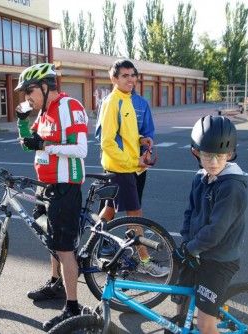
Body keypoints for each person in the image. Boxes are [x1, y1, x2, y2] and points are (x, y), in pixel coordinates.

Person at [14, 63, 88, 331]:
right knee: (52, 240)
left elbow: (80, 150)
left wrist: (45, 144)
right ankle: (56, 283)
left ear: (46, 86)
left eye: (29, 91)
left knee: (65, 248)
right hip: (45, 185)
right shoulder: (43, 112)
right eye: (24, 94)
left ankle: (72, 307)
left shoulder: (69, 107)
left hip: (65, 186)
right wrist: (22, 122)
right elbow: (27, 145)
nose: (26, 98)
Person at [171, 115, 247, 334]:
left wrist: (191, 248)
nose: (214, 162)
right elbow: (190, 212)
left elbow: (216, 231)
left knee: (205, 325)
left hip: (219, 260)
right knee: (180, 301)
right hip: (195, 251)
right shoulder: (200, 177)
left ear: (231, 154)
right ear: (195, 152)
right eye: (207, 155)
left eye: (222, 155)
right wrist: (186, 242)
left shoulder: (232, 187)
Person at [97, 59, 167, 277]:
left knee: (109, 210)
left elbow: (124, 134)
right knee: (135, 215)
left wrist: (140, 139)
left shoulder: (126, 99)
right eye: (125, 75)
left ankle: (93, 244)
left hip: (125, 167)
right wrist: (132, 162)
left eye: (132, 75)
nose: (130, 79)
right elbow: (107, 142)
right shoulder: (112, 102)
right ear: (114, 79)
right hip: (121, 169)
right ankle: (145, 260)